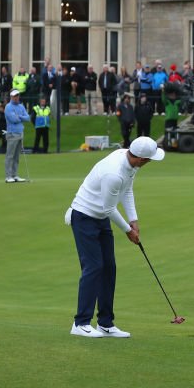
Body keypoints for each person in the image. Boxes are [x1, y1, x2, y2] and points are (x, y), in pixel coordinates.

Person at [64, 136, 165, 338]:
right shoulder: (114, 173)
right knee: (94, 267)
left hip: (100, 217)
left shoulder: (130, 163)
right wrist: (128, 230)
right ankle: (81, 323)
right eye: (149, 159)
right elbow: (109, 208)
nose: (149, 162)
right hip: (84, 216)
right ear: (140, 158)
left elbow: (127, 191)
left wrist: (133, 219)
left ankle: (105, 323)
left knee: (109, 267)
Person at [3, 90, 29, 183]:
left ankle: (15, 175)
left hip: (20, 133)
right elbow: (13, 119)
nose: (16, 97)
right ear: (11, 97)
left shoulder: (21, 106)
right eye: (14, 96)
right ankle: (8, 176)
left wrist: (19, 116)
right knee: (10, 155)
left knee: (17, 156)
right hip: (12, 133)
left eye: (17, 96)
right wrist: (21, 117)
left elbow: (27, 118)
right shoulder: (8, 107)